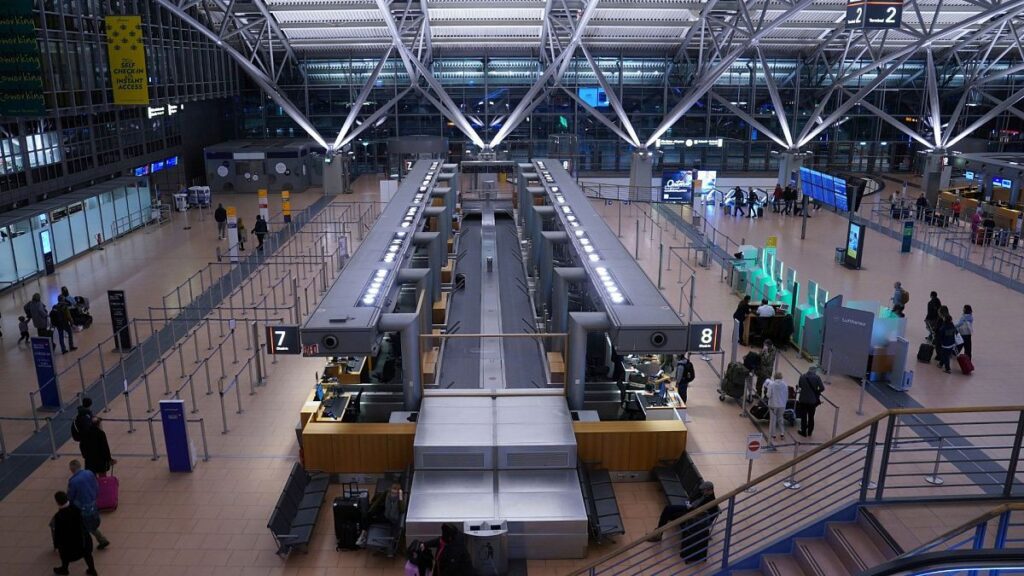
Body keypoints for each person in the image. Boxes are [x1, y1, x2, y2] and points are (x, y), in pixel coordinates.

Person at [51, 491, 98, 576]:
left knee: (65, 555)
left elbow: (58, 532)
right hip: (83, 538)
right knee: (87, 555)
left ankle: (64, 569)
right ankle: (92, 569)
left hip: (69, 543)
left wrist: (57, 544)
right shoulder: (76, 508)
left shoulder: (59, 516)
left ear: (57, 502)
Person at [67, 460, 110, 550]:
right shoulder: (89, 473)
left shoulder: (73, 481)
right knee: (90, 524)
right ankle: (101, 539)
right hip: (92, 503)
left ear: (71, 469)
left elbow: (71, 496)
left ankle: (95, 541)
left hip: (81, 507)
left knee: (83, 525)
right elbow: (96, 485)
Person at [679, 481, 720, 563]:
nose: (702, 492)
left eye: (704, 490)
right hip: (695, 517)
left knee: (676, 514)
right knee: (673, 512)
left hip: (697, 521)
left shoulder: (710, 501)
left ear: (710, 490)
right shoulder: (705, 496)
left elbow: (702, 513)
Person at [356, 482, 405, 549]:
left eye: (395, 493)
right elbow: (379, 500)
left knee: (370, 518)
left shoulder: (400, 500)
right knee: (367, 515)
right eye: (392, 492)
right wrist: (371, 510)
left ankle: (363, 535)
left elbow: (402, 509)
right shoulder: (387, 493)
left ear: (398, 493)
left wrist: (400, 497)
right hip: (385, 513)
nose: (393, 495)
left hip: (390, 519)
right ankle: (363, 534)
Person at [796, 365, 825, 437]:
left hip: (803, 400)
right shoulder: (817, 378)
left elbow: (800, 386)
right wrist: (817, 392)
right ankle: (809, 432)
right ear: (814, 371)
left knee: (803, 417)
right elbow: (822, 388)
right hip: (812, 401)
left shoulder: (802, 376)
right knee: (811, 417)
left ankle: (803, 432)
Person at [764, 372, 789, 442]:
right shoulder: (785, 384)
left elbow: (768, 395)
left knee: (773, 419)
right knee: (780, 418)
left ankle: (773, 434)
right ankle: (782, 433)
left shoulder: (771, 384)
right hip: (782, 405)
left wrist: (766, 393)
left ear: (774, 377)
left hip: (773, 405)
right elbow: (787, 396)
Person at [935, 306, 957, 374]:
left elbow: (940, 335)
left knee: (945, 356)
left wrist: (940, 342)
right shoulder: (952, 326)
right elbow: (955, 332)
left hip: (945, 344)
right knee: (945, 354)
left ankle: (948, 369)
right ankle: (941, 364)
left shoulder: (943, 327)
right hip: (951, 343)